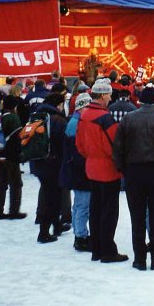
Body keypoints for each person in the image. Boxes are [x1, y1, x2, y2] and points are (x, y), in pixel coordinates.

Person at [113, 87, 154, 271]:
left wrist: (121, 168)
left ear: (140, 101)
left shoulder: (128, 119)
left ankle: (139, 259)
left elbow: (118, 147)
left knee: (138, 217)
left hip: (134, 172)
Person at [76, 78, 127, 264]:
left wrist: (91, 156)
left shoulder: (84, 115)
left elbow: (79, 145)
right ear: (104, 95)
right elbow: (115, 145)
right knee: (109, 211)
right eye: (109, 95)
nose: (110, 99)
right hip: (107, 169)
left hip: (91, 167)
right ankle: (107, 250)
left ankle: (96, 249)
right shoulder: (104, 118)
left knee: (95, 209)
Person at [30, 93, 68, 243]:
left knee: (49, 193)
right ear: (58, 104)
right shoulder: (58, 120)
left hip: (38, 161)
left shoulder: (36, 116)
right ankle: (44, 232)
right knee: (53, 197)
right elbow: (63, 143)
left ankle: (56, 225)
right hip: (53, 163)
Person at [62, 93, 92, 252]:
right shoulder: (77, 124)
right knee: (83, 205)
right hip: (80, 171)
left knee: (79, 205)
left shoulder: (73, 121)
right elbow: (78, 152)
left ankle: (79, 233)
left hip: (74, 169)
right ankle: (80, 236)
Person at [0, 95, 26, 220]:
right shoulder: (13, 118)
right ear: (14, 106)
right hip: (9, 156)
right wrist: (19, 155)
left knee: (1, 184)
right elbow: (16, 138)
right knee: (16, 183)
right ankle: (14, 211)